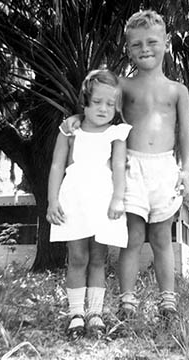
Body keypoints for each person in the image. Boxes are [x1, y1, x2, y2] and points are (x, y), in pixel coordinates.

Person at [62, 10, 189, 321]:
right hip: (131, 167)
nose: (144, 48)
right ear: (127, 49)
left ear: (165, 42)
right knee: (132, 237)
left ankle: (168, 300)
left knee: (162, 237)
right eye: (136, 44)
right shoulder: (123, 85)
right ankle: (127, 299)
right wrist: (77, 118)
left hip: (164, 169)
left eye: (152, 41)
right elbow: (100, 104)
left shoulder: (178, 90)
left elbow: (186, 132)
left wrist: (187, 170)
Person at [46, 69, 132, 340]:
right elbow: (57, 164)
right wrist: (52, 201)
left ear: (116, 107)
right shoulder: (69, 130)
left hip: (103, 200)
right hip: (74, 200)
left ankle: (95, 313)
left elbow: (119, 166)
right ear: (84, 102)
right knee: (78, 257)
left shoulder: (117, 133)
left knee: (98, 257)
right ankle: (75, 314)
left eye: (110, 103)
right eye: (97, 102)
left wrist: (119, 197)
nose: (103, 108)